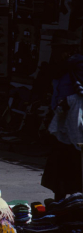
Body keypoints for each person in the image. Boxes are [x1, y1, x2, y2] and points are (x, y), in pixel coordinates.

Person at [41, 30, 83, 201]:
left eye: (59, 50)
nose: (56, 54)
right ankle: (60, 200)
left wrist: (70, 100)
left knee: (76, 163)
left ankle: (76, 201)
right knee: (59, 164)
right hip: (62, 123)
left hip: (76, 123)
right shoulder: (62, 68)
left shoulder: (79, 66)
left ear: (69, 50)